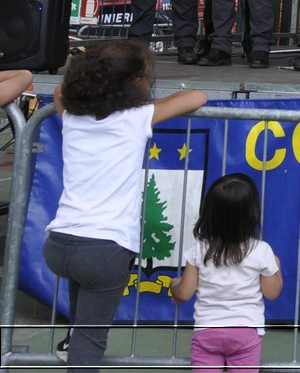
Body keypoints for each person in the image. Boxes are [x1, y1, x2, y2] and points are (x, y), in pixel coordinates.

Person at [44, 42, 206, 373]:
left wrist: (89, 75)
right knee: (89, 343)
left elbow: (61, 90)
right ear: (134, 84)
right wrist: (141, 104)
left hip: (60, 242)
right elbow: (196, 97)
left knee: (81, 328)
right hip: (105, 248)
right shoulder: (135, 118)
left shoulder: (72, 116)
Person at [172, 174, 283, 373]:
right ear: (252, 214)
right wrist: (276, 267)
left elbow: (184, 293)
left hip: (207, 332)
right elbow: (272, 292)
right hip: (246, 332)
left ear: (209, 213)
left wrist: (174, 285)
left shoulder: (199, 250)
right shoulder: (261, 251)